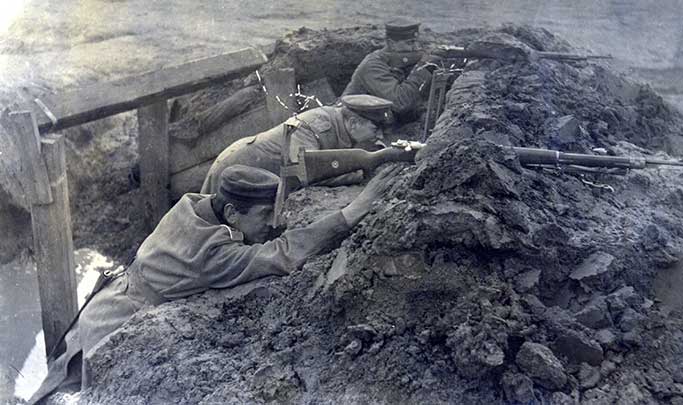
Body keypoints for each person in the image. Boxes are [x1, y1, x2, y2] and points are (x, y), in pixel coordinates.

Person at [30, 163, 401, 404]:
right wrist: (352, 211)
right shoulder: (210, 255)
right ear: (231, 213)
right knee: (84, 392)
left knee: (57, 384)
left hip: (107, 300)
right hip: (117, 324)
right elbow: (282, 253)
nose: (269, 224)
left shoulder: (195, 204)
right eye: (261, 216)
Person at [200, 94, 394, 194]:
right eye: (376, 129)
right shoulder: (315, 126)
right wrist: (357, 173)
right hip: (234, 166)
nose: (380, 136)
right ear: (353, 123)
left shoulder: (341, 123)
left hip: (257, 173)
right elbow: (304, 172)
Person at [342, 18, 441, 123]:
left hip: (377, 121)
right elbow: (400, 102)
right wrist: (423, 68)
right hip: (353, 123)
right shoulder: (373, 65)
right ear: (391, 43)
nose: (416, 47)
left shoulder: (399, 62)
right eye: (410, 43)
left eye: (417, 43)